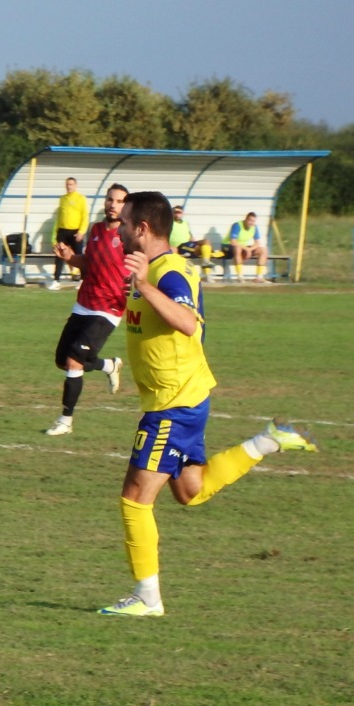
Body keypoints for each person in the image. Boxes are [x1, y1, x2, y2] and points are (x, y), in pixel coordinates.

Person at [98, 191, 318, 617]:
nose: (118, 229)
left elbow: (185, 322)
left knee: (134, 498)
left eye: (124, 223)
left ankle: (147, 599)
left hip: (173, 404)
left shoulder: (168, 272)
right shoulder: (152, 270)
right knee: (190, 491)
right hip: (182, 397)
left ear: (142, 228)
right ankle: (270, 440)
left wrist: (144, 285)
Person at [45, 183, 129, 437]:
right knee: (62, 360)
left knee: (74, 360)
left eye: (119, 201)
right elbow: (87, 264)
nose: (113, 204)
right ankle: (109, 366)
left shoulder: (129, 235)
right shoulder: (96, 230)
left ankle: (65, 421)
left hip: (109, 308)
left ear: (126, 206)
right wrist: (69, 257)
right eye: (110, 199)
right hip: (84, 303)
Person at [46, 177, 90, 291]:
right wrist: (54, 236)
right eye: (67, 184)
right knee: (59, 255)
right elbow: (58, 218)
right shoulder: (62, 199)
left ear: (75, 186)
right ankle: (56, 281)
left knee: (80, 256)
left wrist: (81, 231)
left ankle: (83, 281)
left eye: (71, 184)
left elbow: (85, 216)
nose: (69, 186)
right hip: (63, 231)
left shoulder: (81, 199)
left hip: (75, 232)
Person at [169, 205, 217, 283]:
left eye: (179, 212)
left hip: (189, 243)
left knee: (206, 241)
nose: (177, 214)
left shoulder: (185, 223)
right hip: (180, 246)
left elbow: (189, 235)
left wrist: (194, 240)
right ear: (172, 213)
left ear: (182, 214)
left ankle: (206, 263)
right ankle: (207, 274)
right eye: (175, 212)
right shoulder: (169, 223)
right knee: (200, 250)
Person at [228, 212, 269, 283]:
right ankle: (240, 277)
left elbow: (257, 243)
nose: (251, 223)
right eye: (250, 220)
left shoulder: (254, 227)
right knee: (238, 249)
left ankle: (259, 277)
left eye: (253, 221)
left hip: (244, 247)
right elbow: (233, 241)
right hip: (229, 247)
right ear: (246, 219)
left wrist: (249, 249)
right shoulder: (237, 225)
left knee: (263, 250)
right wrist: (247, 249)